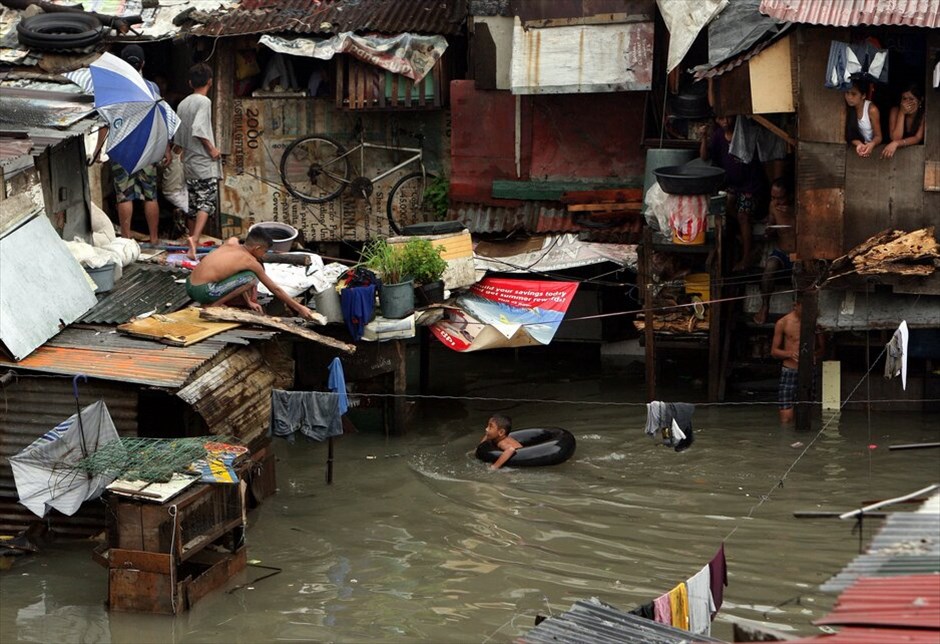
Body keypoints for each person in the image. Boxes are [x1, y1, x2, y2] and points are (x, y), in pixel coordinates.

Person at [90, 44, 167, 245]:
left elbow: (105, 124)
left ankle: (125, 238)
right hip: (147, 147)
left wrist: (99, 151)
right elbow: (160, 119)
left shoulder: (115, 90)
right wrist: (164, 147)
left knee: (124, 196)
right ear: (143, 63)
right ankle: (154, 238)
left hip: (121, 148)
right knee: (150, 195)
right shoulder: (152, 88)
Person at [186, 227, 315, 320]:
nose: (264, 255)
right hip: (203, 291)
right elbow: (275, 288)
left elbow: (233, 271)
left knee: (233, 269)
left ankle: (215, 301)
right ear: (257, 248)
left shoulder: (231, 242)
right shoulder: (249, 261)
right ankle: (215, 305)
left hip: (190, 285)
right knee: (251, 278)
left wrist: (249, 302)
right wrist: (299, 308)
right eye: (264, 251)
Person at [701, 115, 767, 271]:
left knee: (743, 215)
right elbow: (705, 157)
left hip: (751, 186)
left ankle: (746, 257)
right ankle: (743, 238)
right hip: (732, 186)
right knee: (723, 205)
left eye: (728, 119)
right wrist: (703, 137)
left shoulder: (745, 133)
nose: (725, 122)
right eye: (721, 119)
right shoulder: (718, 136)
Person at [175, 62, 222, 260]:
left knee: (194, 206)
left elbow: (178, 138)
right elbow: (199, 129)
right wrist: (212, 149)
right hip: (203, 162)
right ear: (210, 82)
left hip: (189, 162)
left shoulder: (183, 104)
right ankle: (195, 238)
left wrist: (175, 152)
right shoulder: (204, 102)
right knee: (206, 202)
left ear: (190, 82)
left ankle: (191, 243)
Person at [770, 301, 824, 424]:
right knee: (786, 417)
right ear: (796, 305)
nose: (808, 311)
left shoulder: (815, 322)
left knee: (806, 412)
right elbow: (774, 352)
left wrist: (813, 355)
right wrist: (790, 354)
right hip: (789, 370)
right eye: (804, 308)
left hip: (809, 370)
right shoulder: (783, 322)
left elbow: (822, 349)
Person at [754, 178, 796, 325]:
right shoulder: (772, 206)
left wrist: (792, 214)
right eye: (773, 198)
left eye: (780, 198)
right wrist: (769, 230)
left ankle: (797, 313)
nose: (777, 202)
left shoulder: (800, 207)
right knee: (769, 270)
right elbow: (771, 221)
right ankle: (764, 306)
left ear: (790, 196)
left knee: (802, 276)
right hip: (781, 252)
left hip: (798, 255)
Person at [881, 83, 925, 159]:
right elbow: (895, 137)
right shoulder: (895, 111)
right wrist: (902, 113)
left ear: (920, 101)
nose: (907, 103)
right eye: (904, 99)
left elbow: (917, 138)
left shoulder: (923, 115)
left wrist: (896, 143)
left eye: (911, 99)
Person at [844, 77, 882, 158]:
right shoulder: (846, 107)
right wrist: (859, 145)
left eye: (854, 94)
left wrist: (871, 144)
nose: (849, 97)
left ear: (863, 95)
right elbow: (850, 134)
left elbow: (878, 137)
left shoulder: (872, 110)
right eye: (847, 93)